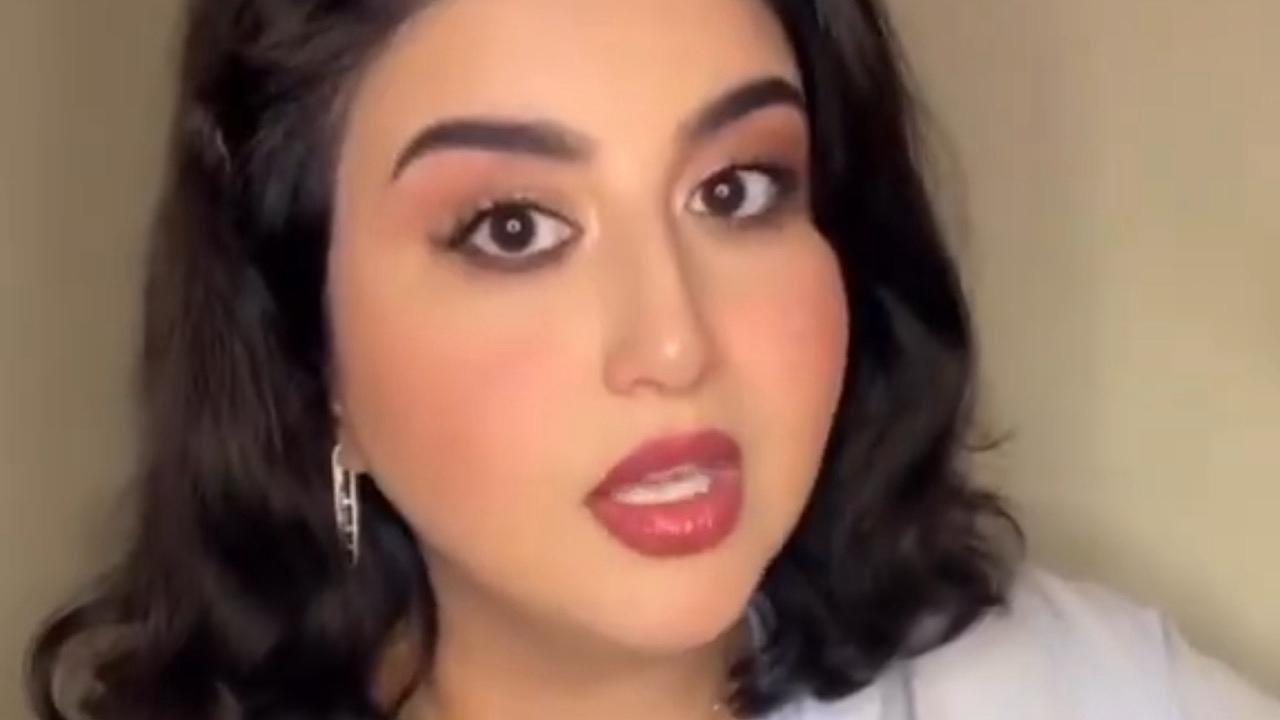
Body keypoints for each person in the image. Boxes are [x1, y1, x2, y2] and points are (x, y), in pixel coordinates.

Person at [26, 0, 1279, 718]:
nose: (674, 343)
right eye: (514, 228)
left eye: (735, 189)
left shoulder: (1083, 693)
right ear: (310, 344)